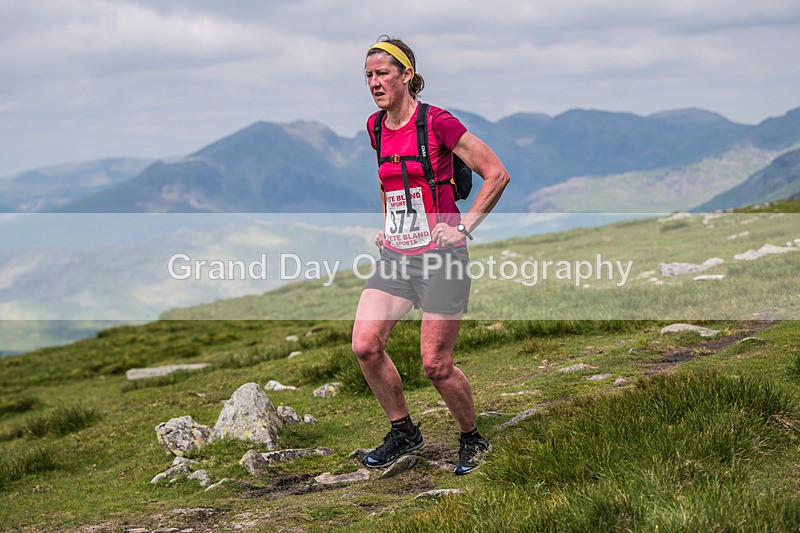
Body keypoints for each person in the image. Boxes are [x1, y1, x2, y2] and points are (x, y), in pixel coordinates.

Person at [352, 36, 510, 475]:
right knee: (365, 345)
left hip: (442, 258)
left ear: (407, 75)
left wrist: (462, 226)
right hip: (398, 257)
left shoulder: (438, 123)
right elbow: (388, 181)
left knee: (436, 365)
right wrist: (387, 225)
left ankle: (471, 439)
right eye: (368, 75)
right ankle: (403, 432)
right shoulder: (375, 127)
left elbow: (496, 173)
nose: (374, 83)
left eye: (383, 73)